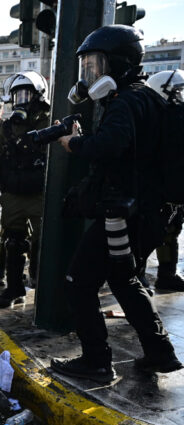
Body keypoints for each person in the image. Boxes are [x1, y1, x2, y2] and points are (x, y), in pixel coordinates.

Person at [50, 25, 183, 382]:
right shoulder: (146, 97)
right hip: (148, 213)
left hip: (125, 213)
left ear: (120, 63)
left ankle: (96, 361)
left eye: (96, 65)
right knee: (124, 280)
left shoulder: (126, 100)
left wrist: (73, 144)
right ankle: (161, 353)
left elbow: (110, 145)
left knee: (78, 282)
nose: (90, 74)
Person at [0, 71, 49, 308]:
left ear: (38, 96)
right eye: (17, 95)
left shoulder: (47, 122)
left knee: (42, 241)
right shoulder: (8, 127)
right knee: (13, 241)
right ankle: (14, 288)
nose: (21, 99)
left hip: (38, 193)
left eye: (26, 94)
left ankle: (41, 281)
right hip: (13, 194)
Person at [143, 69, 184, 292]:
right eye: (178, 91)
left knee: (172, 231)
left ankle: (167, 274)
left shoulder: (175, 117)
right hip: (156, 189)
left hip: (172, 188)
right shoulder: (154, 120)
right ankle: (137, 275)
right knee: (148, 233)